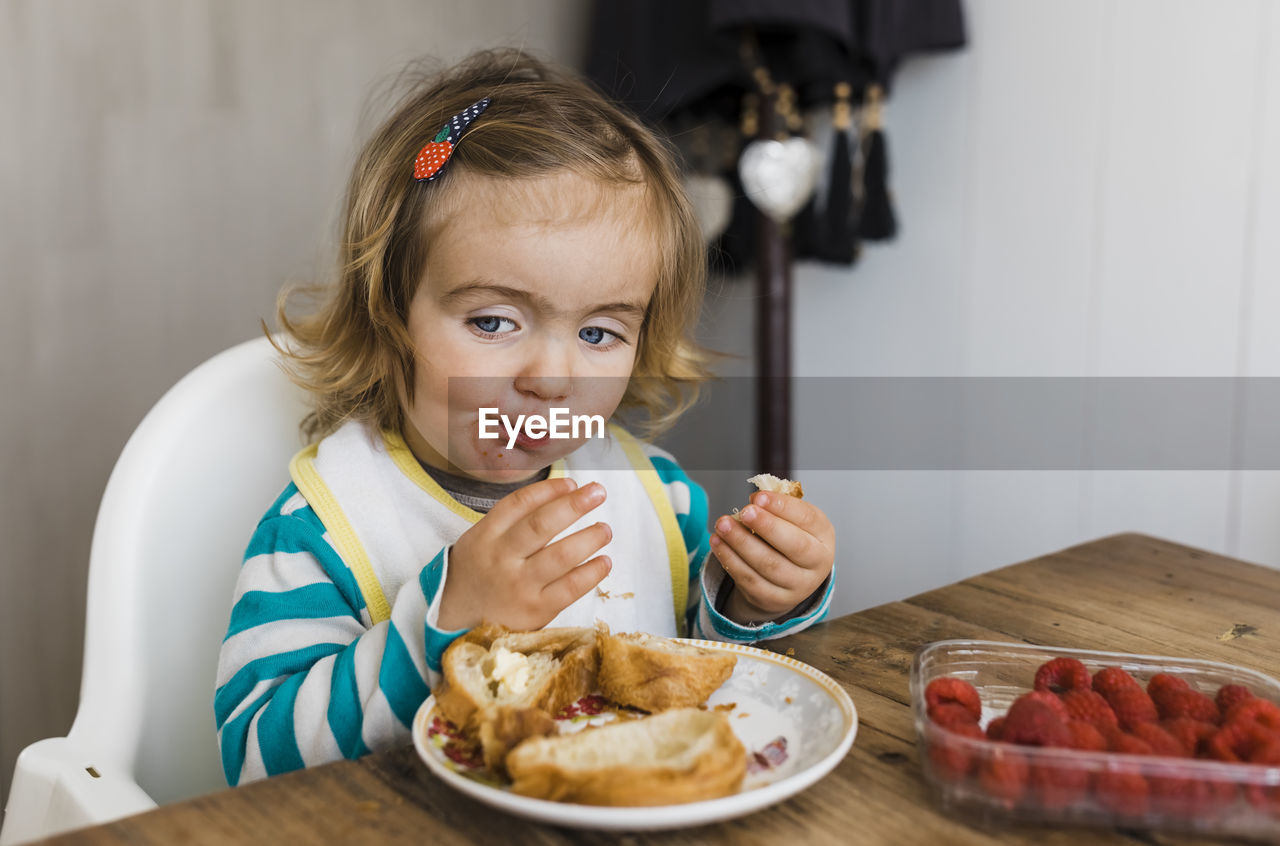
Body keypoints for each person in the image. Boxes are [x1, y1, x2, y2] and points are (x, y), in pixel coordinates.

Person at [215, 49, 836, 786]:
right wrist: (440, 626)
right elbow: (255, 760)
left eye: (599, 333)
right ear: (393, 318)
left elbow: (703, 669)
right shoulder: (321, 530)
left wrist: (755, 599)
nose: (549, 379)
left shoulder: (657, 496)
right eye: (494, 321)